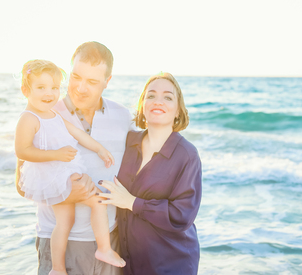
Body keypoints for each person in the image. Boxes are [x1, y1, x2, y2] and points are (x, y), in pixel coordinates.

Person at [15, 42, 134, 275]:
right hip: (59, 241)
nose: (80, 88)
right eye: (76, 77)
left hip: (109, 239)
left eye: (91, 82)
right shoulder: (44, 111)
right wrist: (68, 194)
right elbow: (22, 184)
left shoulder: (122, 116)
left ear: (107, 81)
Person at [97, 72, 202, 275]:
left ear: (178, 111)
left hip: (171, 262)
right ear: (142, 105)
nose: (158, 101)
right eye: (151, 95)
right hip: (129, 261)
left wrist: (132, 202)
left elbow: (182, 215)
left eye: (168, 97)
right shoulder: (128, 142)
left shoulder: (187, 155)